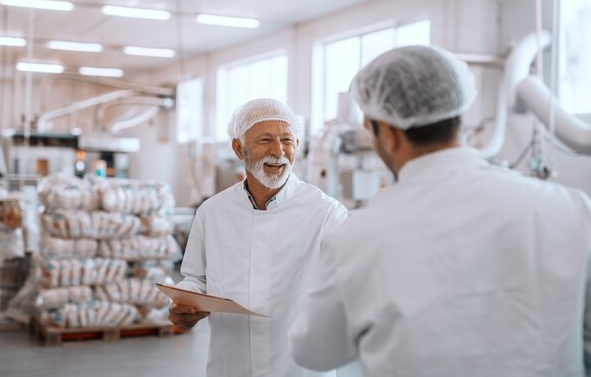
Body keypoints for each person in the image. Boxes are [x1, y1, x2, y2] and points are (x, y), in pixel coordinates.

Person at [288, 45, 591, 376]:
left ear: (387, 134)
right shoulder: (570, 208)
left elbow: (313, 352)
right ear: (458, 114)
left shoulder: (356, 237)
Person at [170, 98, 348, 377]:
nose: (279, 151)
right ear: (238, 148)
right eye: (265, 140)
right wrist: (186, 304)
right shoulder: (213, 212)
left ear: (297, 146)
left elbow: (347, 287)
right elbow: (196, 278)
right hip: (231, 364)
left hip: (297, 367)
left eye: (287, 140)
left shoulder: (326, 214)